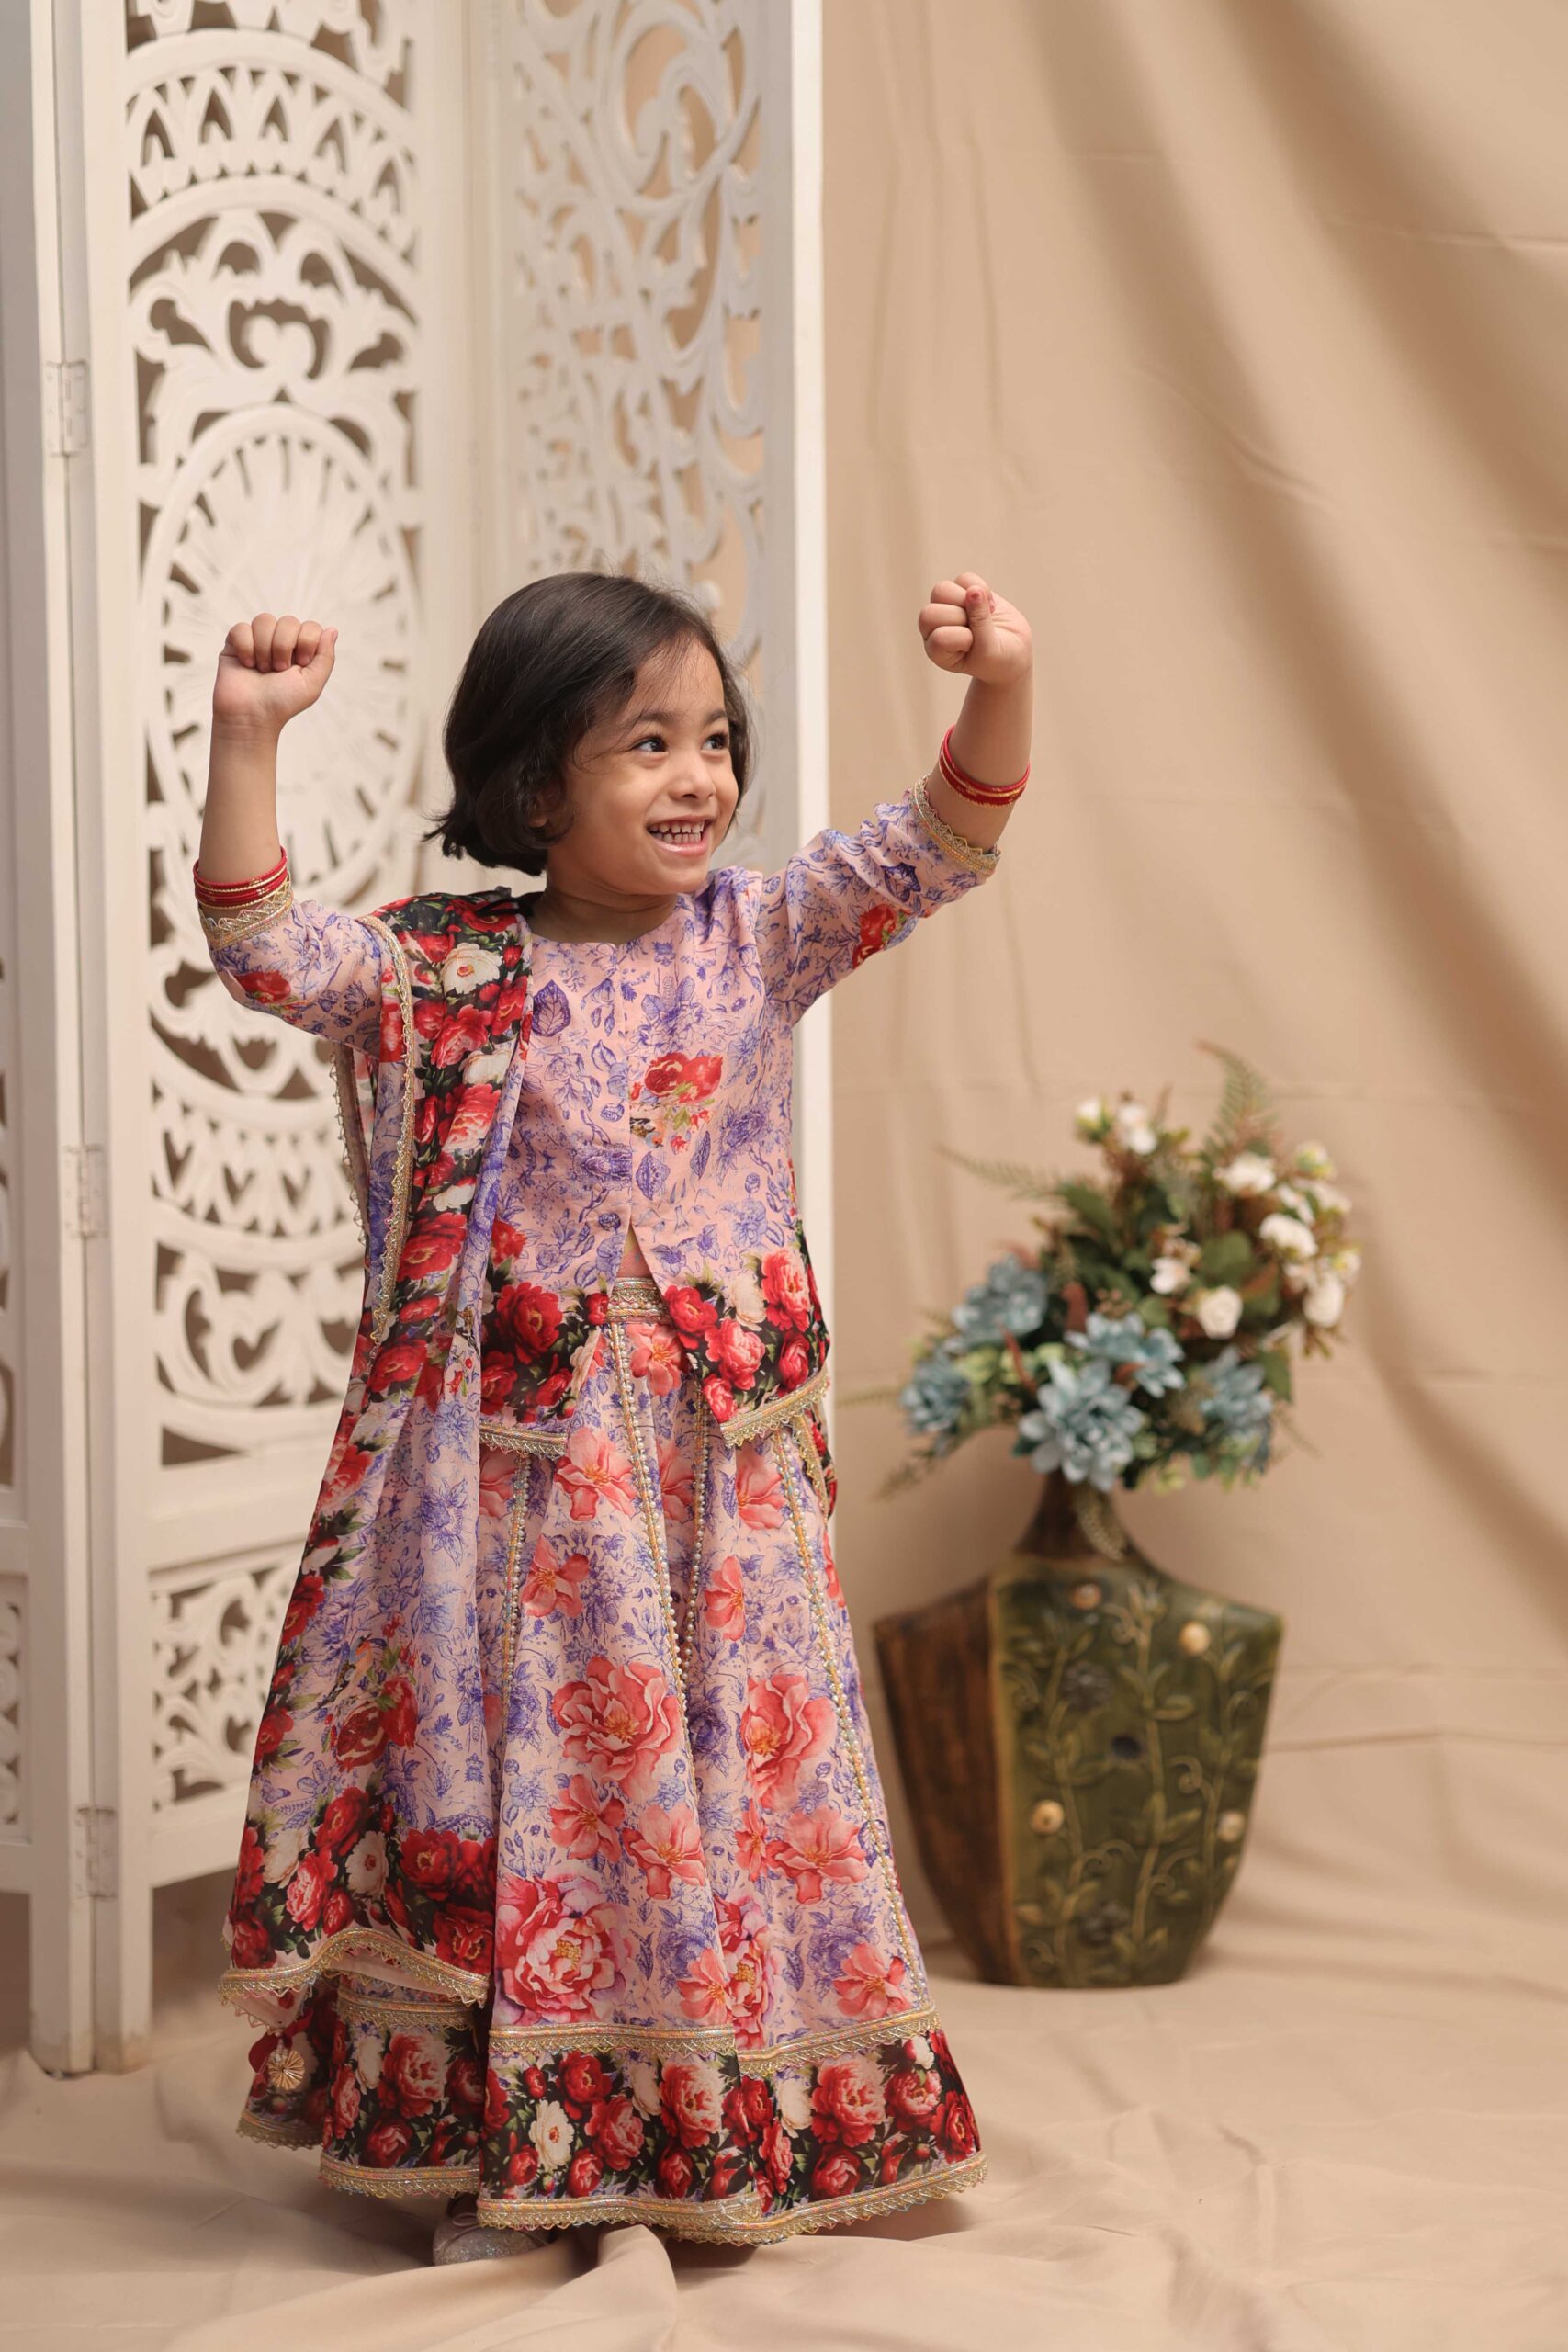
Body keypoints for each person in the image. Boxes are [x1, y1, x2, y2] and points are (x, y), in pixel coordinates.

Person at [195, 567, 1032, 2263]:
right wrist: (247, 736)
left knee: (736, 1775)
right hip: (527, 1484)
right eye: (646, 743)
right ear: (531, 786)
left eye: (714, 738)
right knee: (554, 1790)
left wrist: (1001, 682)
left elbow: (946, 839)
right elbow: (267, 952)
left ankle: (745, 2117)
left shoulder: (764, 932)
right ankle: (527, 2142)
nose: (699, 776)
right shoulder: (451, 970)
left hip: (727, 1474)